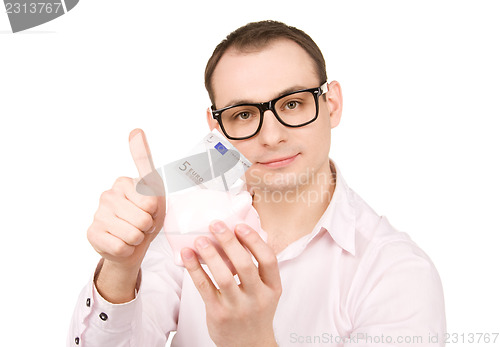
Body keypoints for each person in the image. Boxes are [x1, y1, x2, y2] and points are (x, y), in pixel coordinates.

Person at [67, 20, 446, 346]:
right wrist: (120, 267)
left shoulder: (397, 272)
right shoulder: (184, 221)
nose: (271, 136)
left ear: (331, 105)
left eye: (292, 104)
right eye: (244, 114)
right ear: (217, 129)